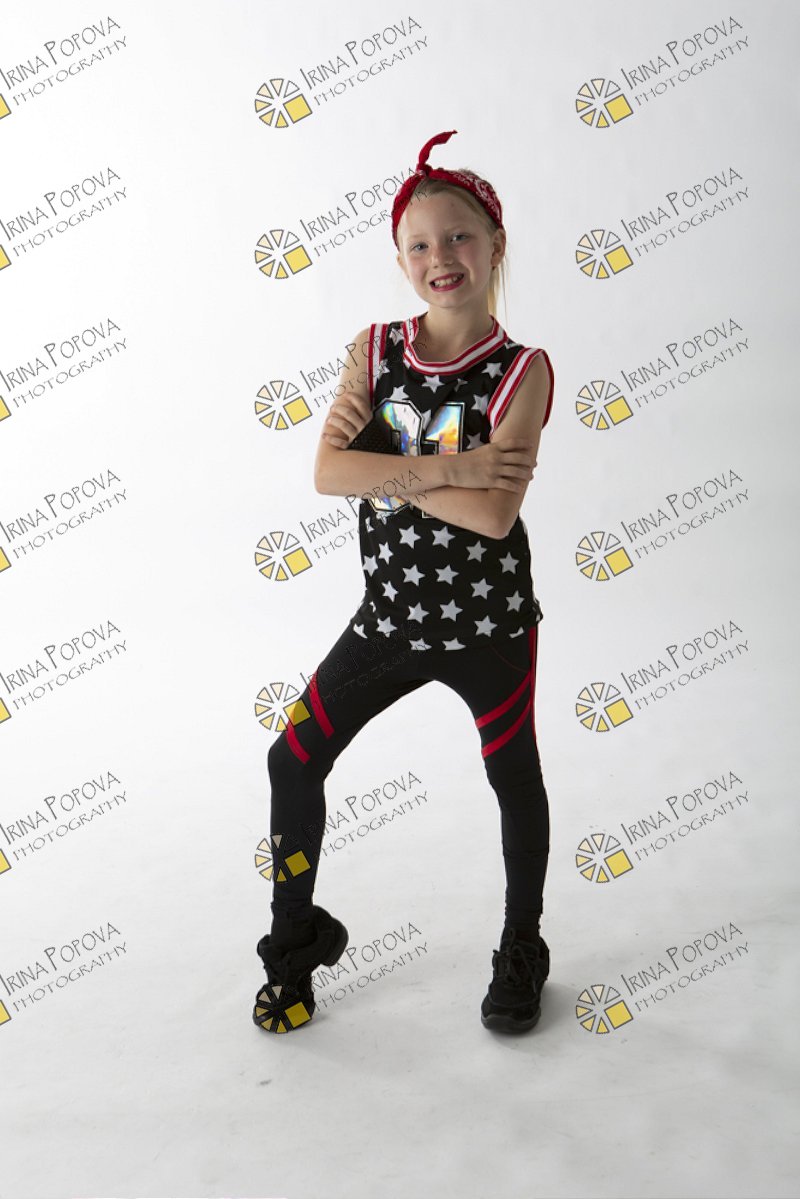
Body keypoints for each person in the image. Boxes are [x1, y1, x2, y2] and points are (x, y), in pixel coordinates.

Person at [253, 129, 555, 1036]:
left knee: (512, 777)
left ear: (495, 244)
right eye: (419, 244)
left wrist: (385, 466)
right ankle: (296, 939)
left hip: (489, 625)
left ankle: (523, 942)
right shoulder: (374, 348)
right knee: (291, 757)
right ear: (400, 260)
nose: (440, 257)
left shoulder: (522, 371)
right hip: (388, 620)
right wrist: (452, 468)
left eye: (459, 236)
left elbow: (494, 517)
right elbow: (327, 473)